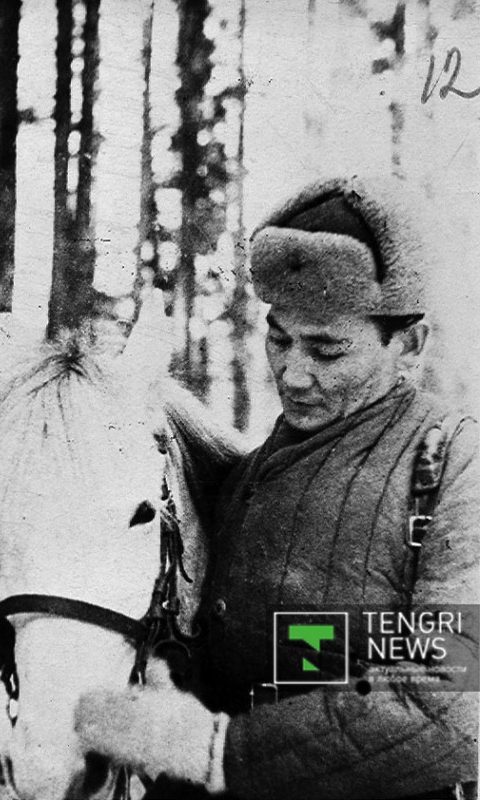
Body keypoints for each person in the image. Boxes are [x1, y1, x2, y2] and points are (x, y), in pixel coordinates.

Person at [75, 175, 479, 800]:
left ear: (409, 344)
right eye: (280, 339)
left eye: (327, 351)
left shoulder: (452, 463)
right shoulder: (242, 475)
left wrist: (213, 751)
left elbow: (453, 695)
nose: (292, 374)